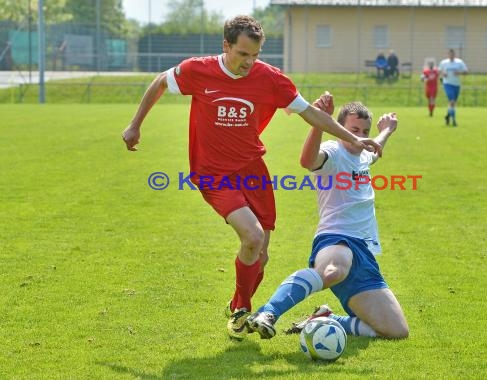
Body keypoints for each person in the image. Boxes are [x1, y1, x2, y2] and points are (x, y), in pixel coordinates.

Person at [121, 15, 380, 341]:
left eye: (255, 55)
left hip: (252, 171)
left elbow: (309, 113)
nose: (248, 62)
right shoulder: (198, 70)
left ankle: (237, 304)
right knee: (253, 237)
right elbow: (160, 81)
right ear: (226, 46)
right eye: (242, 54)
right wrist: (135, 125)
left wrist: (353, 138)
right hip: (213, 173)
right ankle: (242, 309)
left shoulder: (270, 78)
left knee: (261, 256)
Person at [246, 91, 409, 340]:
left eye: (365, 132)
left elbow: (374, 151)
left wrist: (386, 131)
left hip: (364, 250)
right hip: (336, 237)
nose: (360, 137)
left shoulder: (363, 153)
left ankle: (326, 319)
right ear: (340, 129)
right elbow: (307, 160)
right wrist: (320, 121)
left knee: (396, 331)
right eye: (354, 130)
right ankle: (267, 313)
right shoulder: (332, 152)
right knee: (333, 271)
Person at [438, 49, 468, 126]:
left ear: (454, 55)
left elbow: (466, 71)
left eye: (452, 54)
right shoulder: (444, 63)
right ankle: (454, 120)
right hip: (447, 84)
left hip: (456, 84)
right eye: (449, 55)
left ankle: (447, 116)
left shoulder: (459, 62)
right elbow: (438, 71)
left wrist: (459, 72)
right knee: (451, 101)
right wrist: (443, 73)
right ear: (448, 55)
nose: (451, 56)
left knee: (453, 103)